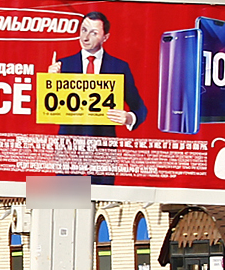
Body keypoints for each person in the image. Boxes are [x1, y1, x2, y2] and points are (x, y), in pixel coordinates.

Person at [47, 11, 149, 185]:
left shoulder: (119, 67)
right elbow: (42, 106)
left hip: (102, 150)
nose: (85, 37)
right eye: (83, 30)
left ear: (105, 37)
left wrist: (128, 117)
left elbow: (140, 108)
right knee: (63, 206)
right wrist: (50, 81)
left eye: (93, 33)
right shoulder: (63, 65)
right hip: (70, 149)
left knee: (101, 206)